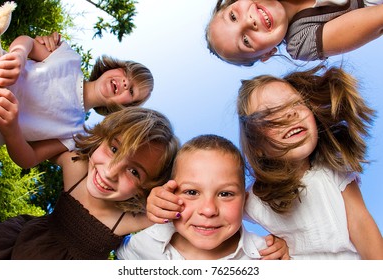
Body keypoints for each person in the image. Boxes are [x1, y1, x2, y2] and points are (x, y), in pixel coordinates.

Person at [146, 65, 383, 259]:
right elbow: (212, 208)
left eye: (295, 104)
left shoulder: (333, 174)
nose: (289, 115)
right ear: (257, 146)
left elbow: (363, 227)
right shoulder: (255, 198)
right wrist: (161, 201)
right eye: (270, 115)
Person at [0, 107, 179, 259]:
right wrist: (11, 131)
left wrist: (159, 202)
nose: (110, 172)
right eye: (114, 149)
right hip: (15, 241)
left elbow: (184, 216)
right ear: (101, 138)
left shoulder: (129, 219)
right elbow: (29, 157)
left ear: (145, 189)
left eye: (134, 172)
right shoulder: (76, 165)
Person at [0, 32, 154, 168]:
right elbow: (27, 41)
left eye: (132, 90)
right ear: (115, 67)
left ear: (125, 106)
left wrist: (11, 131)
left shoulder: (75, 133)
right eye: (126, 73)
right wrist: (19, 54)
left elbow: (30, 159)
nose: (125, 82)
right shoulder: (69, 57)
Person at [117, 134, 290, 260]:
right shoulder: (139, 246)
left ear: (245, 201)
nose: (208, 210)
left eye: (225, 194)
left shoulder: (268, 257)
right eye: (192, 192)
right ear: (169, 194)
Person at [205, 0, 383, 66]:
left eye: (233, 16)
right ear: (267, 53)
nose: (249, 22)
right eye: (245, 40)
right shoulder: (301, 42)